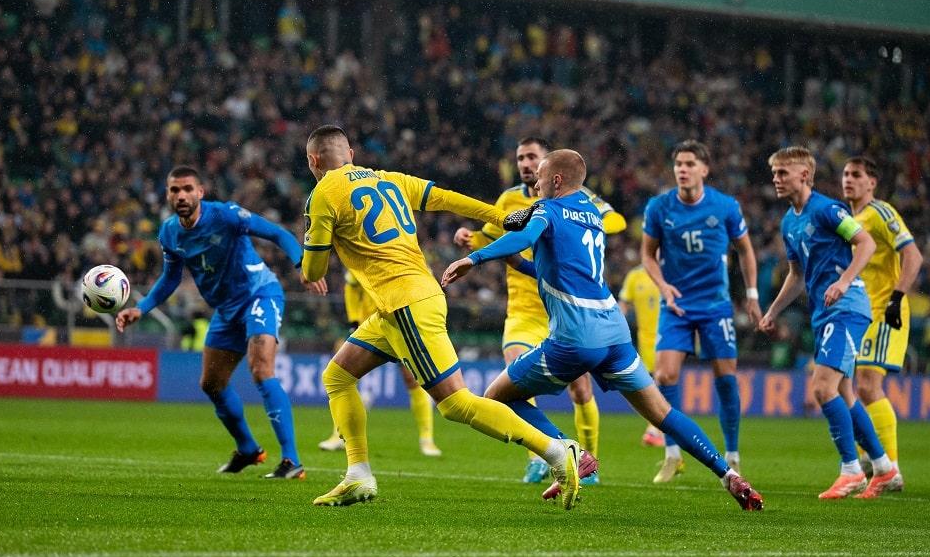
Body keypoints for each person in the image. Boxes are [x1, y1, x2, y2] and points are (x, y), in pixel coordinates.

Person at [441, 149, 763, 511]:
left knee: (497, 395)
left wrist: (474, 258)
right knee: (663, 414)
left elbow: (525, 238)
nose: (536, 184)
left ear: (556, 180)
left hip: (575, 336)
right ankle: (728, 474)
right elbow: (560, 267)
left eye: (541, 177)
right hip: (614, 333)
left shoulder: (547, 209)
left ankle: (570, 452)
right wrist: (517, 263)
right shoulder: (592, 213)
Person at [301, 125, 581, 509]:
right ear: (350, 153)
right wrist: (503, 217)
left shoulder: (322, 195)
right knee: (337, 376)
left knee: (456, 404)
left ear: (313, 161)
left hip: (404, 304)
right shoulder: (391, 179)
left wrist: (314, 252)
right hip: (403, 304)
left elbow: (314, 271)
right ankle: (358, 474)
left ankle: (556, 451)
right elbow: (448, 199)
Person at [116, 165, 323, 479]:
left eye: (188, 189)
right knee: (211, 383)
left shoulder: (226, 215)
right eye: (175, 190)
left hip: (259, 294)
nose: (181, 195)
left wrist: (302, 264)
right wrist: (141, 309)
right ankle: (248, 449)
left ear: (200, 192)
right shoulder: (169, 233)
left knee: (261, 368)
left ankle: (291, 461)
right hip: (226, 310)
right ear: (167, 195)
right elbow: (170, 278)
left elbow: (277, 233)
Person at [454, 136, 626, 485]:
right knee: (515, 384)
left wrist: (579, 223)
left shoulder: (580, 199)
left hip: (567, 314)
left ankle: (590, 464)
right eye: (520, 157)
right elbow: (492, 234)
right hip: (522, 312)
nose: (525, 163)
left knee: (581, 391)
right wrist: (470, 238)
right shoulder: (509, 199)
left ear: (550, 163)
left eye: (532, 157)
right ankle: (538, 457)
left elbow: (618, 222)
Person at [759, 146, 898, 499]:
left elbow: (865, 243)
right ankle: (884, 467)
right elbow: (796, 275)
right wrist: (773, 311)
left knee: (822, 388)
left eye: (783, 173)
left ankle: (851, 470)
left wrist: (844, 281)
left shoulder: (828, 209)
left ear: (804, 175)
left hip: (847, 308)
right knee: (845, 392)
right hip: (824, 312)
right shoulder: (789, 222)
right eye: (774, 173)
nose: (776, 179)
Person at [640, 140, 761, 483]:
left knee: (726, 378)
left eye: (690, 163)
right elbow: (648, 254)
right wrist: (663, 286)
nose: (682, 169)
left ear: (704, 169)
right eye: (678, 163)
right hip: (676, 303)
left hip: (714, 305)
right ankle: (672, 455)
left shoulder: (725, 206)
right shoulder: (659, 207)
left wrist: (752, 294)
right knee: (664, 375)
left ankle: (732, 454)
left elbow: (745, 250)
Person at [841, 156, 923, 491]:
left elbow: (913, 255)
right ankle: (870, 459)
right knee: (853, 388)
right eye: (845, 174)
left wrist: (896, 297)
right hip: (861, 313)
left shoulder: (880, 212)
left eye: (856, 175)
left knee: (867, 385)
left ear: (872, 182)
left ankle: (891, 469)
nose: (848, 179)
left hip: (886, 310)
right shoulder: (849, 219)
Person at [318, 270, 442, 457]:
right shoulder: (365, 258)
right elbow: (351, 286)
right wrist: (354, 320)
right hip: (368, 326)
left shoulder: (412, 262)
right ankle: (339, 435)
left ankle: (427, 439)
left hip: (399, 324)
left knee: (412, 379)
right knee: (344, 376)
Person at [618, 264, 665, 447]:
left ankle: (654, 429)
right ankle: (656, 428)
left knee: (661, 381)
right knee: (653, 385)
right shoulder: (635, 276)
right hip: (645, 340)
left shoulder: (669, 271)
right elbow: (623, 304)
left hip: (667, 337)